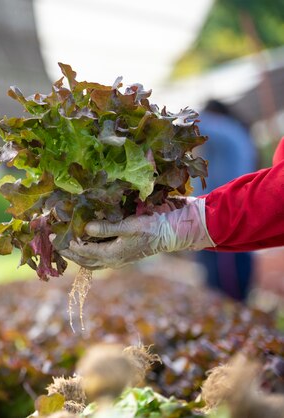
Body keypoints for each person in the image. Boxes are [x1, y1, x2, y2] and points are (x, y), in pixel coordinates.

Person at [60, 136, 284, 272]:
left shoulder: (220, 130)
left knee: (228, 279)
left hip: (240, 210)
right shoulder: (233, 133)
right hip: (241, 210)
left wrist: (197, 220)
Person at [191, 100, 257, 301]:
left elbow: (197, 123)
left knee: (229, 293)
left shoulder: (229, 132)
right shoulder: (234, 135)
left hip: (227, 223)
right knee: (220, 289)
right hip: (220, 221)